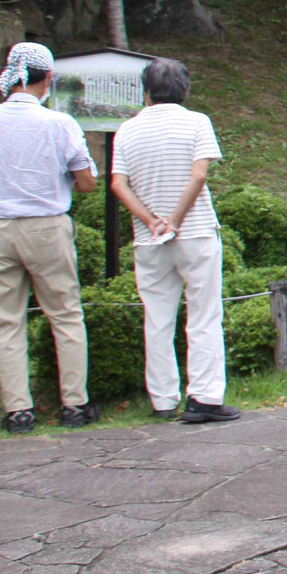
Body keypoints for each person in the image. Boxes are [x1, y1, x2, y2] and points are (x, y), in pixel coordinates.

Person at [0, 42, 99, 433]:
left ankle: (18, 410)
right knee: (64, 314)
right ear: (48, 78)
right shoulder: (58, 123)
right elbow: (86, 183)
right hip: (46, 225)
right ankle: (74, 404)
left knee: (6, 318)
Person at [109, 57, 238, 425]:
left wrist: (152, 220)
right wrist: (176, 221)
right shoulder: (197, 122)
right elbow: (199, 176)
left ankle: (163, 399)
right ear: (185, 89)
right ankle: (204, 398)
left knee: (158, 318)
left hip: (148, 238)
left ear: (146, 90)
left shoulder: (126, 130)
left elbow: (118, 184)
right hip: (194, 231)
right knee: (204, 315)